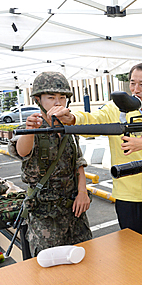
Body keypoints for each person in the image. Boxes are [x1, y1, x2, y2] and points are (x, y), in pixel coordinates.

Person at [53, 63, 142, 239]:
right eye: (132, 83)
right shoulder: (116, 108)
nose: (135, 89)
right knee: (135, 253)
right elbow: (93, 120)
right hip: (130, 197)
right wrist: (72, 118)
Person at [8, 72, 92, 256]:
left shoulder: (67, 127)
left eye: (62, 97)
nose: (58, 103)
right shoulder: (32, 127)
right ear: (38, 100)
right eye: (51, 97)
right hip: (46, 216)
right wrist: (30, 131)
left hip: (74, 210)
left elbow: (78, 161)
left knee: (84, 256)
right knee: (51, 267)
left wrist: (83, 192)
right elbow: (22, 151)